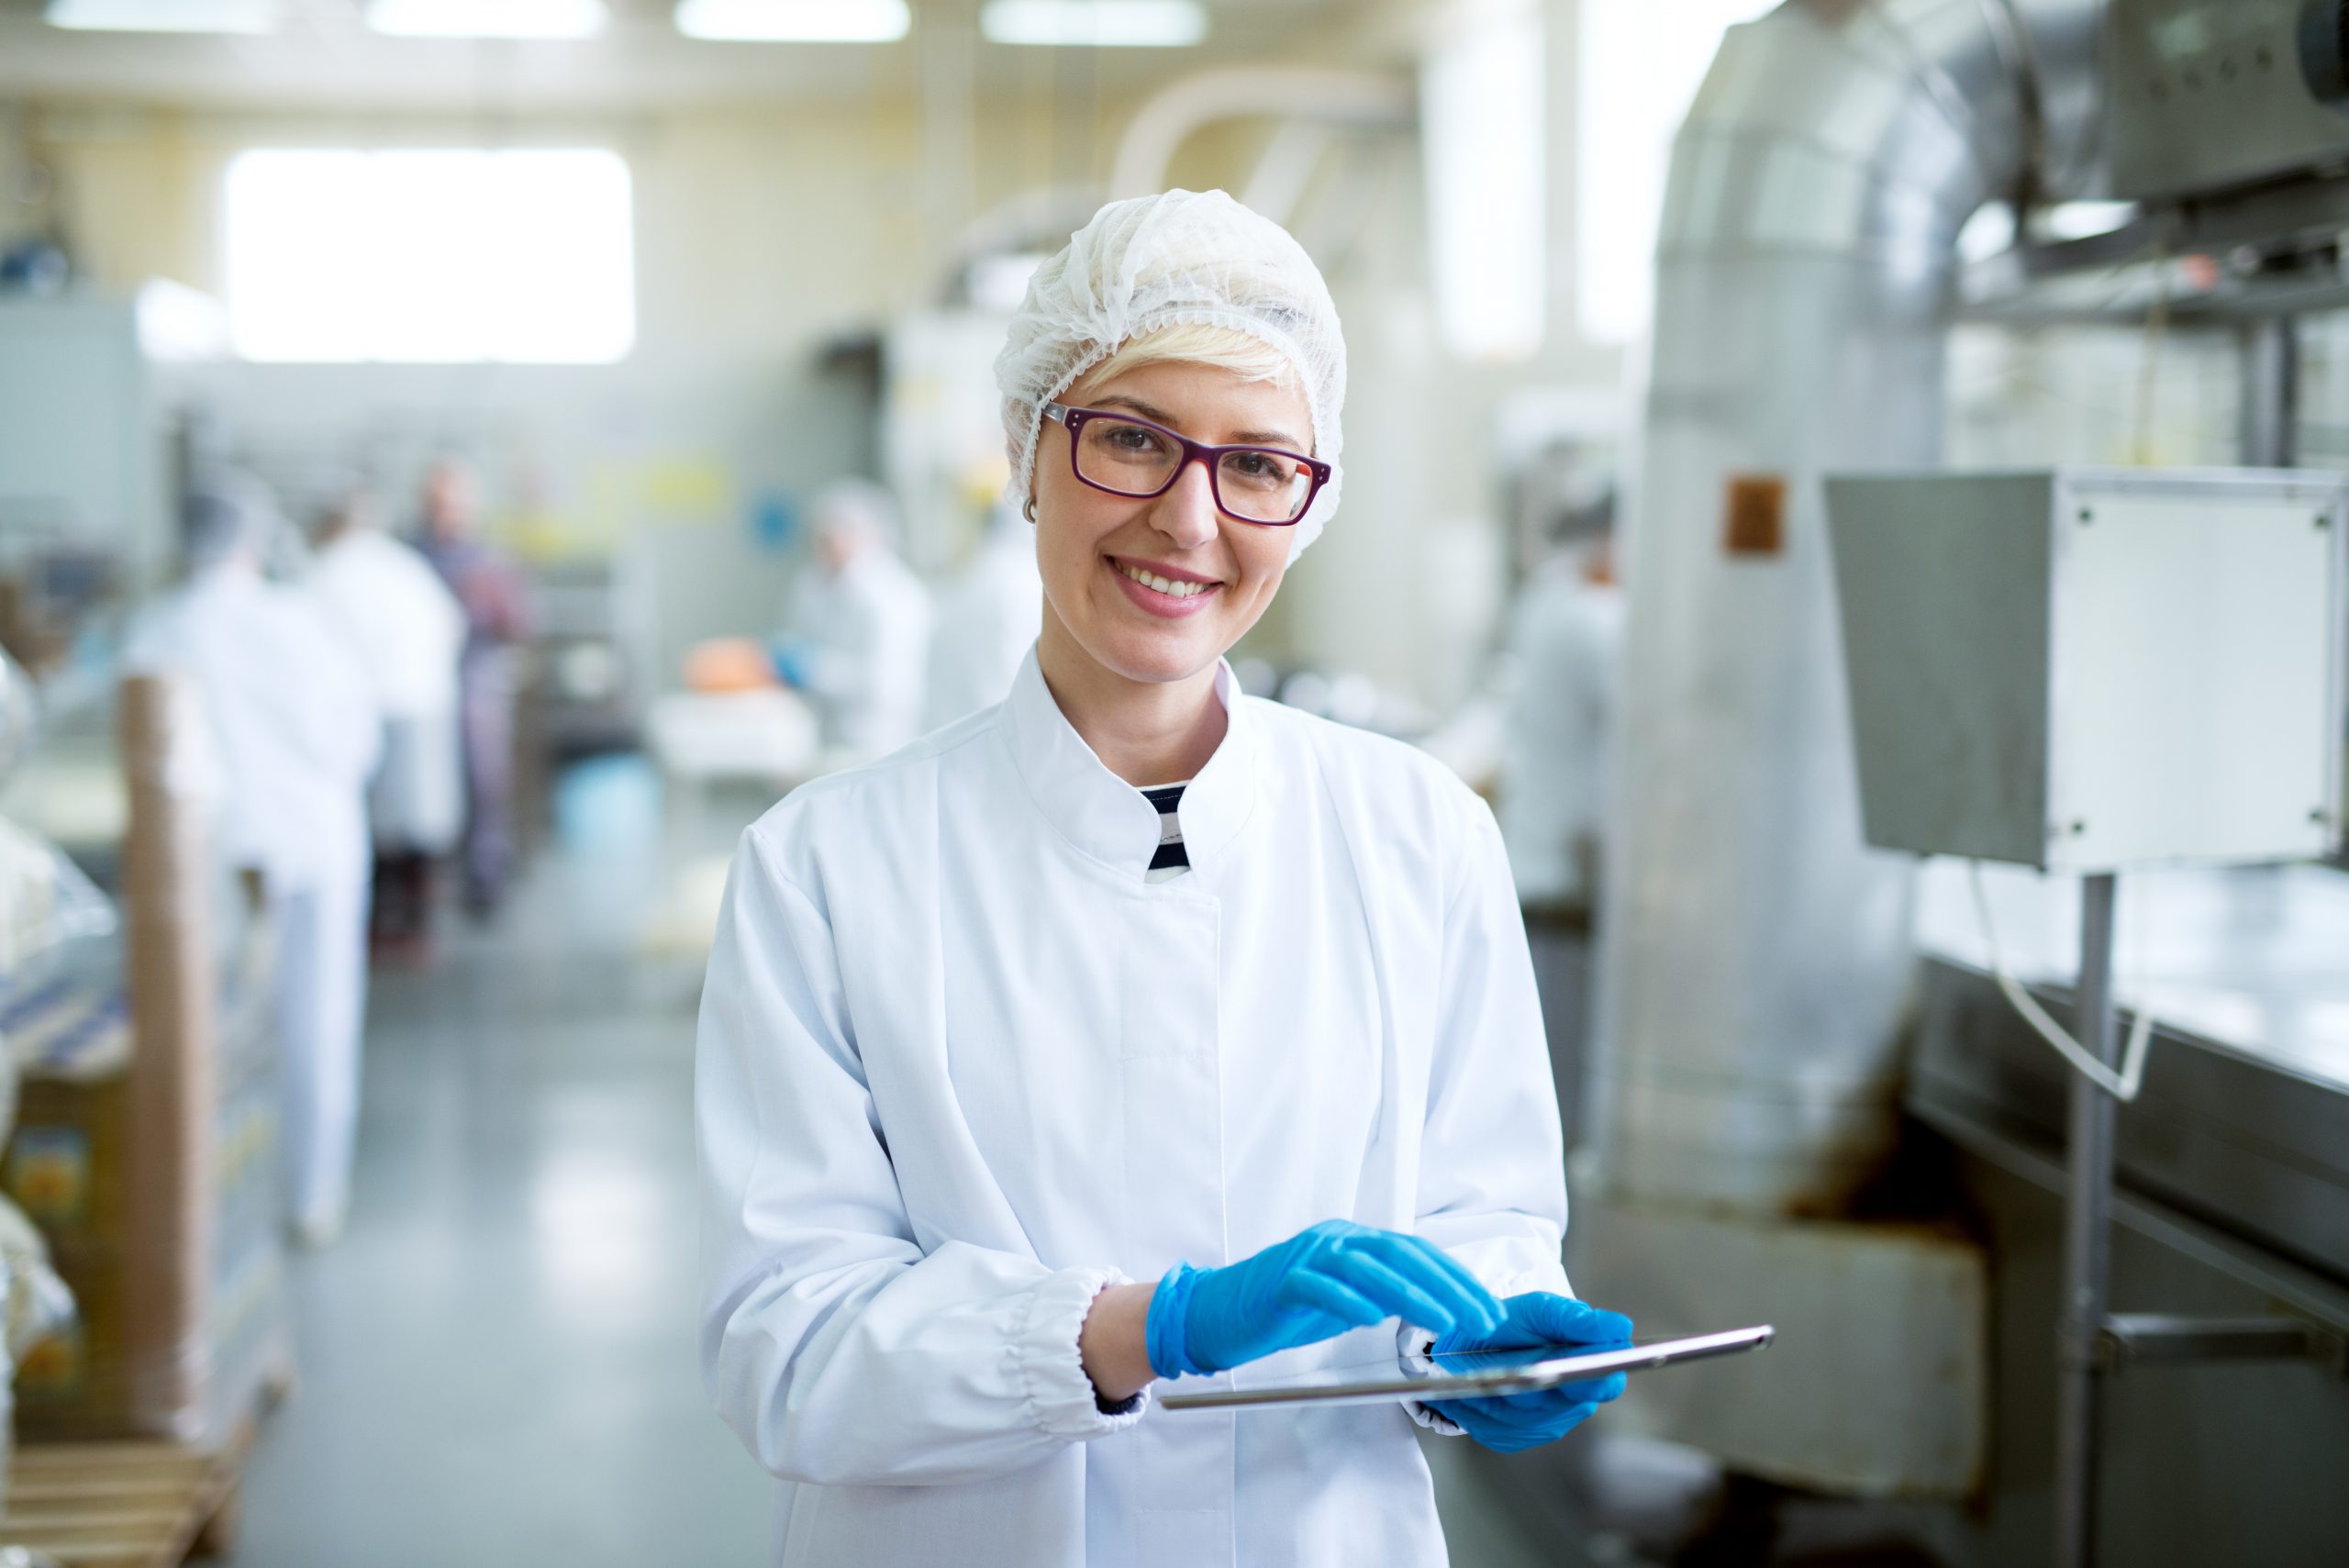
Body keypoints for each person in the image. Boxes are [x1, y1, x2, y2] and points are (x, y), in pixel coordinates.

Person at [697, 189, 1630, 1568]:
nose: (1191, 519)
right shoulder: (828, 870)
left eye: (1257, 464)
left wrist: (1480, 1338)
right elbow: (791, 1350)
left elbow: (1484, 1218)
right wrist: (1142, 1329)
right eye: (1132, 439)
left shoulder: (1418, 834)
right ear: (1027, 449)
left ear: (1306, 502)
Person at [125, 475, 379, 1247]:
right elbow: (355, 742)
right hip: (316, 843)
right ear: (253, 539)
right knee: (318, 1023)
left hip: (212, 860)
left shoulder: (155, 630)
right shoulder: (300, 622)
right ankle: (310, 1200)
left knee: (201, 1032)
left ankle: (202, 1201)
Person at [306, 476, 466, 962]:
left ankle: (380, 930)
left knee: (373, 834)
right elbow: (450, 622)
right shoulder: (404, 564)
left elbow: (310, 647)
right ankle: (417, 929)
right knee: (417, 830)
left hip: (372, 708)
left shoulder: (326, 570)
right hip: (424, 703)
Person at [415, 460, 531, 917]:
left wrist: (488, 606)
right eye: (439, 504)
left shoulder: (489, 561)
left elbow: (520, 619)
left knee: (484, 781)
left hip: (475, 679)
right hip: (421, 684)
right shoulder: (412, 557)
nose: (448, 514)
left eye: (456, 505)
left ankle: (485, 881)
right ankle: (421, 892)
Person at [773, 480, 932, 760]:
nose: (822, 547)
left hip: (878, 738)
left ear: (863, 534)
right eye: (819, 538)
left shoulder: (893, 595)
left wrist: (814, 669)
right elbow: (801, 634)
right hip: (827, 736)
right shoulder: (814, 583)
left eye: (830, 537)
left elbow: (887, 684)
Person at [923, 499, 1044, 730]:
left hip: (951, 731)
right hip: (998, 735)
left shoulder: (971, 576)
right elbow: (1012, 674)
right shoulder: (1021, 585)